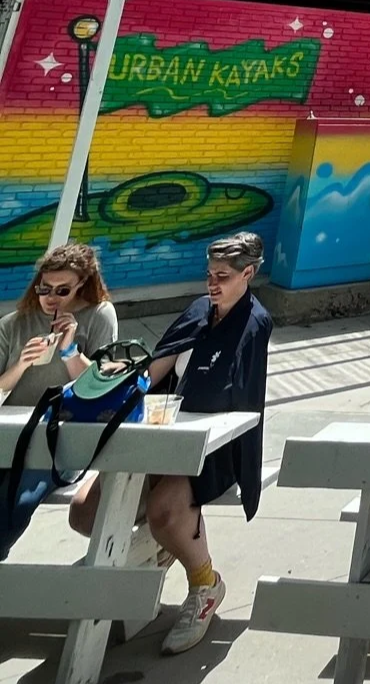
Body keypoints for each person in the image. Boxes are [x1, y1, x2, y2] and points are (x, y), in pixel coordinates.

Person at [69, 233, 272, 654]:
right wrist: (114, 384)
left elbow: (236, 396)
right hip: (158, 431)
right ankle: (167, 545)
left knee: (165, 512)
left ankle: (204, 584)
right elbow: (154, 371)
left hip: (215, 446)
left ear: (248, 274)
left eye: (223, 276)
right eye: (209, 274)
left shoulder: (255, 322)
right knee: (86, 511)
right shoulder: (199, 310)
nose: (212, 284)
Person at [0, 244, 119, 562]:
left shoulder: (98, 315)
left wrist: (69, 351)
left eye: (62, 289)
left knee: (16, 497)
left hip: (60, 433)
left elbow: (100, 388)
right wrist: (21, 365)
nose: (50, 297)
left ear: (83, 284)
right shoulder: (15, 323)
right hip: (10, 429)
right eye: (44, 288)